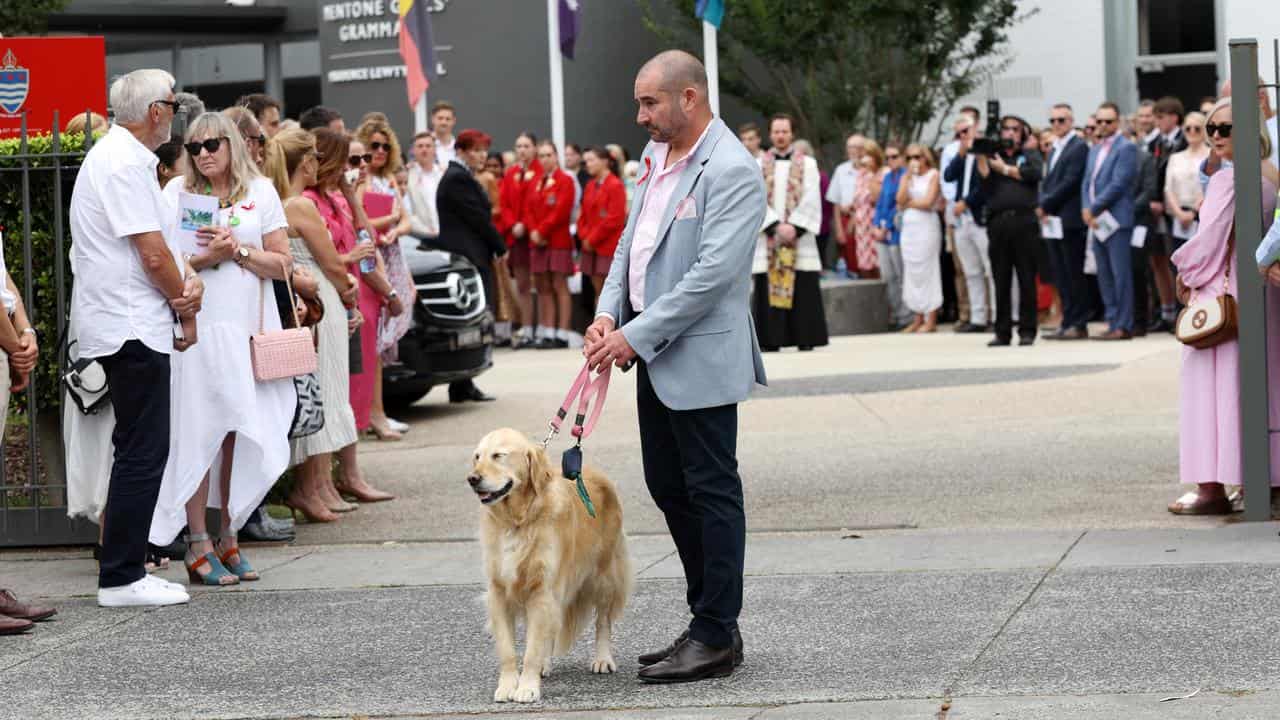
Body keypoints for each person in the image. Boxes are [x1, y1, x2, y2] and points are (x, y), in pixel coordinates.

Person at [584, 49, 765, 685]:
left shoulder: (733, 169)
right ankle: (712, 621)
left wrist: (633, 334)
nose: (639, 116)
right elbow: (630, 249)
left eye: (649, 102)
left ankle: (716, 632)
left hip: (698, 355)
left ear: (689, 98)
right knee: (669, 485)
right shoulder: (656, 159)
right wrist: (609, 315)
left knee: (712, 491)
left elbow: (711, 277)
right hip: (651, 350)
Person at [70, 68, 198, 607]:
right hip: (130, 324)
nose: (175, 111)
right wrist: (182, 299)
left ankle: (124, 570)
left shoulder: (122, 158)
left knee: (139, 447)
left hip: (128, 320)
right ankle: (123, 575)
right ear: (156, 112)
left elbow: (156, 248)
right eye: (172, 103)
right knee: (144, 449)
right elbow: (150, 252)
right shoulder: (123, 162)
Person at [149, 112, 294, 586]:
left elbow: (283, 265)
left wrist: (239, 253)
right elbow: (160, 261)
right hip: (199, 329)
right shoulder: (175, 195)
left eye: (212, 144)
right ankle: (197, 540)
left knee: (237, 428)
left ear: (232, 144)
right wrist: (204, 258)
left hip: (246, 331)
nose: (204, 153)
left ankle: (228, 530)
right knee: (198, 429)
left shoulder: (261, 193)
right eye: (193, 147)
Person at [1170, 97, 1279, 514]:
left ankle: (1210, 487)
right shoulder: (1271, 175)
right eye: (1211, 128)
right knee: (1267, 386)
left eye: (1225, 129)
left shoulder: (1228, 180)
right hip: (1264, 290)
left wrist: (1185, 273)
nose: (1215, 136)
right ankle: (1266, 480)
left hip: (1222, 293)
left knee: (1210, 389)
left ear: (1249, 129)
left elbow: (1209, 239)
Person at [263, 129, 360, 523]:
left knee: (326, 391)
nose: (319, 164)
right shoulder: (300, 205)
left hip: (316, 299)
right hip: (323, 302)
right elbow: (332, 261)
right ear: (305, 162)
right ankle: (310, 487)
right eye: (316, 157)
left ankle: (320, 485)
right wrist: (349, 292)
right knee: (326, 392)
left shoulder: (282, 202)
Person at [303, 129, 397, 512]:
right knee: (332, 391)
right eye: (349, 160)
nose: (355, 168)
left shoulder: (335, 197)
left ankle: (340, 478)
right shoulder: (310, 201)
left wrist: (347, 188)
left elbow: (366, 233)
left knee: (341, 391)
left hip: (345, 297)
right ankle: (321, 482)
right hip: (332, 296)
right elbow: (329, 256)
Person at [434, 128, 507, 402]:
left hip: (471, 255)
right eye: (475, 150)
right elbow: (478, 218)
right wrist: (501, 246)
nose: (482, 155)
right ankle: (462, 383)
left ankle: (464, 384)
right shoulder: (457, 179)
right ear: (461, 151)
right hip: (468, 257)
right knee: (472, 320)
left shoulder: (461, 176)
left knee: (475, 321)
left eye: (483, 150)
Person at [355, 116, 415, 439]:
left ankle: (378, 411)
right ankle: (373, 413)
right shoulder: (362, 181)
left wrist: (394, 228)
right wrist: (390, 220)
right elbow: (363, 221)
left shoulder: (389, 179)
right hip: (372, 261)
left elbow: (407, 220)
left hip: (392, 257)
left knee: (381, 343)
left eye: (384, 146)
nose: (379, 151)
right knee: (374, 343)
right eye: (373, 146)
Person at [753, 113, 828, 351]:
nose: (781, 136)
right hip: (769, 238)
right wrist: (774, 226)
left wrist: (794, 227)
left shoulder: (807, 164)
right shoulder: (757, 164)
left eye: (785, 131)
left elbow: (812, 198)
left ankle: (805, 338)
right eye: (776, 131)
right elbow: (753, 198)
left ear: (792, 133)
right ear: (770, 134)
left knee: (803, 287)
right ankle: (771, 340)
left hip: (799, 236)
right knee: (767, 288)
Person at [976, 114, 1045, 346]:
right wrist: (981, 153)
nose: (1011, 133)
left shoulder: (1029, 154)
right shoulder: (992, 155)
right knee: (1001, 278)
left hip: (1024, 221)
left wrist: (1005, 169)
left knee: (1026, 277)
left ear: (1023, 132)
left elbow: (1034, 174)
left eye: (1016, 129)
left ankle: (1027, 330)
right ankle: (1002, 331)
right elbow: (984, 182)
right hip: (998, 222)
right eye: (1006, 129)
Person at [1082, 102, 1138, 340]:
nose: (1103, 125)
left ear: (1117, 122)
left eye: (1108, 121)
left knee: (1120, 275)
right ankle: (1113, 320)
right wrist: (1087, 208)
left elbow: (1119, 183)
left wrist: (1093, 208)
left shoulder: (1126, 147)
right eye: (1100, 121)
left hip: (1116, 219)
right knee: (1104, 274)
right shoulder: (1094, 149)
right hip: (1097, 221)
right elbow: (1087, 182)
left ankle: (1124, 324)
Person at [1039, 102, 1091, 340]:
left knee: (1073, 273)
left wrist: (1045, 204)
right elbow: (1049, 181)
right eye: (1053, 121)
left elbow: (1070, 182)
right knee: (1060, 273)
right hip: (1053, 220)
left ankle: (1078, 322)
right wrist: (1044, 204)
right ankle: (1068, 320)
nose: (1057, 124)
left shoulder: (1078, 146)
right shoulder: (1056, 147)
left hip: (1069, 220)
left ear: (1071, 121)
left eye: (1061, 120)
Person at [522, 140, 576, 349]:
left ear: (556, 156)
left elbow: (561, 211)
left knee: (559, 285)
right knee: (543, 286)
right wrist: (533, 231)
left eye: (548, 155)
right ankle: (548, 329)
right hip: (538, 242)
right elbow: (527, 210)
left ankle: (562, 333)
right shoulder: (535, 180)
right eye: (542, 156)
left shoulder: (565, 180)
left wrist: (542, 231)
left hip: (557, 240)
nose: (545, 160)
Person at [946, 115, 993, 333]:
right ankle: (978, 317)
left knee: (990, 269)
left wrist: (966, 202)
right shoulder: (961, 154)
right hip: (962, 220)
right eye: (959, 134)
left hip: (979, 216)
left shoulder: (986, 150)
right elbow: (948, 176)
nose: (963, 137)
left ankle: (997, 314)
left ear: (976, 129)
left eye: (966, 131)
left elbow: (986, 184)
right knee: (971, 271)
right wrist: (961, 152)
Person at [1145, 96, 1188, 333]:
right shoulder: (1155, 143)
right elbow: (1151, 174)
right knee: (1158, 261)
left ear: (1174, 116)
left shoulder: (1184, 140)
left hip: (1177, 211)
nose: (1157, 122)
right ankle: (1166, 310)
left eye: (1160, 117)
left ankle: (1183, 310)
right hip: (1156, 211)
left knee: (1177, 263)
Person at [496, 132, 539, 348]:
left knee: (540, 283)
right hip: (516, 235)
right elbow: (504, 204)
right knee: (521, 284)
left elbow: (537, 204)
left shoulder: (541, 172)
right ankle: (527, 327)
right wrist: (513, 224)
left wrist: (526, 224)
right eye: (518, 146)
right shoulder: (510, 173)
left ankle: (543, 328)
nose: (522, 150)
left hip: (535, 234)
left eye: (526, 146)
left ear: (534, 148)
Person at [895, 144, 943, 333]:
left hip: (927, 227)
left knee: (928, 270)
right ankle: (917, 317)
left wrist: (909, 204)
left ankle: (931, 318)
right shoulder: (907, 177)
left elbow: (928, 201)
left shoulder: (933, 175)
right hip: (909, 229)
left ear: (925, 157)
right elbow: (899, 200)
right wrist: (907, 179)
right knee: (912, 271)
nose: (913, 161)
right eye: (908, 158)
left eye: (916, 156)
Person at [578, 146, 627, 301]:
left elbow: (614, 218)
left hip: (606, 246)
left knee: (607, 292)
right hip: (590, 245)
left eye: (591, 160)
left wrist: (591, 239)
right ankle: (597, 322)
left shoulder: (615, 184)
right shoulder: (590, 185)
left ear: (605, 161)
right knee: (596, 290)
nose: (588, 164)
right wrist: (584, 236)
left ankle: (607, 323)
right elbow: (583, 214)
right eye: (586, 161)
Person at [873, 144, 913, 328]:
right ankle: (897, 313)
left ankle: (907, 315)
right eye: (887, 158)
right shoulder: (888, 177)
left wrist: (886, 225)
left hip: (897, 231)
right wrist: (875, 225)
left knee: (901, 274)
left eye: (895, 156)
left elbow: (898, 204)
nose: (891, 161)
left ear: (903, 157)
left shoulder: (906, 176)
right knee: (889, 276)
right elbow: (881, 203)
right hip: (883, 233)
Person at [1164, 111, 1210, 256]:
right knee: (1180, 264)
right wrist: (1179, 213)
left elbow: (1211, 187)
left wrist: (1193, 213)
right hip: (1178, 219)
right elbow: (1168, 188)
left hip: (1203, 218)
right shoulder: (1175, 157)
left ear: (1204, 131)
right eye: (1188, 128)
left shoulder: (1211, 156)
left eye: (1197, 128)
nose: (1192, 132)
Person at [826, 133, 868, 275]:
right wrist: (839, 229)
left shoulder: (870, 169)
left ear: (864, 149)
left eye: (856, 147)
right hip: (844, 220)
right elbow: (835, 202)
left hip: (865, 220)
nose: (852, 151)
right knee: (848, 264)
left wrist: (856, 217)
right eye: (849, 147)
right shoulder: (841, 169)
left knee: (866, 264)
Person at [846, 140, 883, 280]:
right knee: (864, 263)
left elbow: (876, 198)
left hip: (875, 222)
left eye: (868, 155)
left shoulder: (881, 173)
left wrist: (871, 174)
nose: (864, 159)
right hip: (862, 225)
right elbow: (858, 200)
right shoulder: (860, 175)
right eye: (862, 156)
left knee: (878, 262)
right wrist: (853, 218)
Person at [405, 131, 443, 241]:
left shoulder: (443, 175)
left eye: (428, 146)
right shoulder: (407, 175)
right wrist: (427, 232)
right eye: (420, 146)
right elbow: (406, 211)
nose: (424, 149)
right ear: (413, 150)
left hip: (446, 236)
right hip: (418, 237)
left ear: (434, 149)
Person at [432, 101, 458, 166]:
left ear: (454, 121)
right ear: (433, 119)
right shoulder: (422, 145)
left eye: (448, 119)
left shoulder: (460, 147)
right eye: (440, 118)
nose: (444, 122)